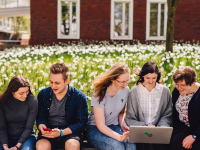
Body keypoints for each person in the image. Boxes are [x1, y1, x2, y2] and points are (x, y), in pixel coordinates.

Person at [36, 63, 88, 150]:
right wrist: (41, 125)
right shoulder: (43, 94)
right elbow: (40, 117)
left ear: (67, 81)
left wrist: (61, 132)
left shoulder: (79, 96)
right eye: (51, 82)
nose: (53, 86)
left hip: (70, 132)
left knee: (73, 146)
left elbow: (81, 123)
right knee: (42, 147)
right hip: (49, 131)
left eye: (57, 83)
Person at [86, 62, 136, 150]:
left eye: (127, 81)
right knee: (117, 147)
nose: (125, 84)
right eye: (122, 82)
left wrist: (123, 125)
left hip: (114, 126)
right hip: (95, 129)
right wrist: (119, 137)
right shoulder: (99, 93)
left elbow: (121, 112)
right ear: (112, 79)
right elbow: (101, 125)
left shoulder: (125, 90)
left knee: (131, 145)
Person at [125, 61, 172, 150]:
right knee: (142, 146)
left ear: (157, 76)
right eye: (147, 78)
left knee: (161, 146)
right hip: (141, 132)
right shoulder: (134, 92)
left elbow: (168, 113)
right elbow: (130, 117)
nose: (151, 81)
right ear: (142, 76)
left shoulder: (165, 91)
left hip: (160, 131)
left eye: (154, 78)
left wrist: (160, 128)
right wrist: (145, 128)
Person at [0, 75, 38, 150]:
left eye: (27, 92)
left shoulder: (32, 101)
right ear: (12, 92)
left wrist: (17, 146)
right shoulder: (3, 102)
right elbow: (2, 127)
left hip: (27, 138)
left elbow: (29, 128)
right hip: (6, 137)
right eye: (21, 93)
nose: (25, 95)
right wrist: (5, 147)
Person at [169, 66, 200, 150]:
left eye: (182, 85)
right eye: (177, 84)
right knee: (174, 143)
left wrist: (195, 136)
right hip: (183, 127)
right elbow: (175, 114)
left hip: (198, 129)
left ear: (193, 83)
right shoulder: (176, 91)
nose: (179, 88)